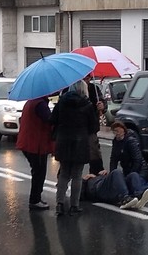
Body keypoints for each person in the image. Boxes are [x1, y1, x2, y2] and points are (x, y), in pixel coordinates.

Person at [50, 80, 99, 216]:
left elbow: (52, 119)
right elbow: (94, 128)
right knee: (77, 175)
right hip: (80, 143)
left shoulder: (61, 102)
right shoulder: (87, 104)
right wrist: (97, 111)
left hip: (63, 141)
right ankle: (74, 205)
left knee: (64, 173)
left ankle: (59, 204)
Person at [105, 121, 148, 198]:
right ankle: (143, 187)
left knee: (134, 186)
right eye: (114, 131)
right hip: (127, 170)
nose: (116, 133)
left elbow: (137, 159)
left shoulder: (130, 141)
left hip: (141, 170)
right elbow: (113, 159)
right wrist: (112, 174)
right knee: (126, 186)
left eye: (118, 131)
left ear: (123, 130)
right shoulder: (116, 142)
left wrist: (132, 173)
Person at [16, 96, 55, 210]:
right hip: (35, 144)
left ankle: (36, 198)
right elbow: (49, 119)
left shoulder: (32, 102)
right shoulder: (40, 104)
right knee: (39, 172)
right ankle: (35, 199)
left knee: (37, 171)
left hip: (30, 142)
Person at [80, 169, 148, 209]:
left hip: (105, 184)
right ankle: (125, 199)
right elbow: (78, 194)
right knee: (116, 172)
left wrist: (102, 174)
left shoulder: (96, 177)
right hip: (97, 189)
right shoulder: (82, 182)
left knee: (133, 175)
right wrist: (84, 180)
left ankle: (138, 196)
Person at [83, 73, 107, 175]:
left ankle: (97, 179)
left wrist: (102, 106)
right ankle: (62, 181)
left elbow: (102, 102)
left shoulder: (94, 89)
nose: (86, 80)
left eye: (88, 78)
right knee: (71, 160)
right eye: (84, 78)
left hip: (91, 128)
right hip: (75, 129)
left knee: (95, 155)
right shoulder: (71, 89)